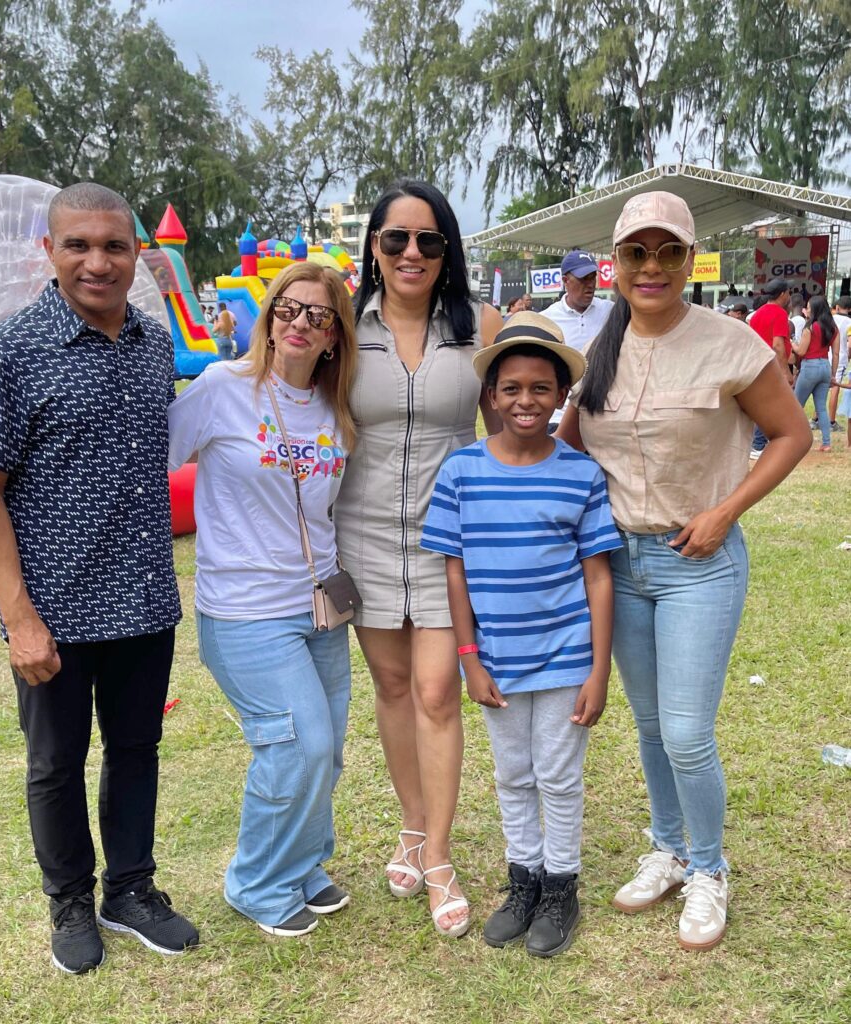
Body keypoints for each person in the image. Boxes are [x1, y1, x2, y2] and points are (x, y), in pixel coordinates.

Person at [558, 191, 810, 952]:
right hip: (621, 565)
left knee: (689, 732)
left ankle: (709, 869)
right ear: (617, 263)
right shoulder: (601, 345)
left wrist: (727, 509)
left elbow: (792, 435)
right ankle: (667, 849)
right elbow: (566, 447)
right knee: (650, 725)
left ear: (690, 258)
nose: (653, 267)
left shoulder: (731, 343)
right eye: (637, 252)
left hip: (698, 562)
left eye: (670, 251)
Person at [0, 182, 199, 975]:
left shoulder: (154, 343)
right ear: (50, 252)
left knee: (137, 748)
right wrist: (18, 617)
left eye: (114, 246)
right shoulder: (10, 352)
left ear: (137, 253)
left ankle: (129, 889)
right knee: (55, 763)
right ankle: (69, 901)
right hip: (52, 610)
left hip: (142, 598)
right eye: (79, 246)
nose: (98, 262)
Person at [333, 179, 503, 938]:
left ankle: (438, 855)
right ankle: (410, 822)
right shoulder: (342, 325)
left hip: (449, 539)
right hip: (361, 533)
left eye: (428, 240)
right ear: (373, 247)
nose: (411, 252)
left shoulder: (482, 325)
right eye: (395, 239)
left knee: (438, 691)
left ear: (447, 251)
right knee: (394, 684)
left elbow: (516, 423)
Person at [420, 313, 621, 956]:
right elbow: (455, 575)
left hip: (565, 657)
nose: (525, 400)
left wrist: (598, 669)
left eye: (540, 388)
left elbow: (597, 579)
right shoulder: (461, 473)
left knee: (557, 776)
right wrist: (469, 659)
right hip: (496, 659)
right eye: (511, 388)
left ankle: (561, 887)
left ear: (561, 394)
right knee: (513, 773)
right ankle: (523, 880)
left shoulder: (581, 476)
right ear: (491, 397)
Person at [168, 262, 358, 939]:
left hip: (320, 605)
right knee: (295, 744)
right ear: (268, 317)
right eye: (288, 309)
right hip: (245, 609)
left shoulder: (338, 406)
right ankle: (255, 881)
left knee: (327, 747)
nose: (300, 323)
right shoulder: (224, 388)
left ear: (336, 336)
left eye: (319, 315)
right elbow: (155, 454)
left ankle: (302, 862)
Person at [543, 250, 613, 431]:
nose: (590, 285)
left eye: (593, 278)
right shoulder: (546, 319)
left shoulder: (611, 312)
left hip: (603, 415)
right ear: (565, 281)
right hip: (559, 418)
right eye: (583, 279)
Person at [748, 280, 793, 459]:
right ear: (782, 294)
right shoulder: (779, 313)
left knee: (763, 404)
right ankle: (758, 444)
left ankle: (759, 442)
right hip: (771, 366)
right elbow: (778, 345)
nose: (789, 296)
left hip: (757, 364)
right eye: (788, 292)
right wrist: (785, 371)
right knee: (771, 405)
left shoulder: (757, 314)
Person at [793, 296, 840, 451]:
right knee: (821, 408)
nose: (807, 310)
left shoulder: (810, 327)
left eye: (808, 307)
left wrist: (791, 342)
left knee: (797, 405)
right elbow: (836, 354)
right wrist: (833, 375)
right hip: (825, 366)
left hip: (810, 367)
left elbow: (801, 351)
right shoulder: (833, 328)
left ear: (814, 309)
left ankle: (796, 440)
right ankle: (826, 443)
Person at [825, 295, 850, 429]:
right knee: (835, 386)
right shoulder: (850, 323)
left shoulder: (830, 319)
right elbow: (850, 344)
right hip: (840, 357)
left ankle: (817, 418)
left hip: (826, 355)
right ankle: (831, 421)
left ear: (838, 307)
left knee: (823, 387)